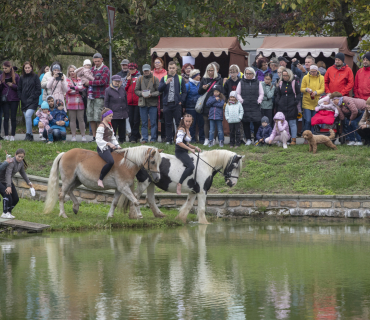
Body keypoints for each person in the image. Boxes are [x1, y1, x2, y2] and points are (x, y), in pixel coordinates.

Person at [158, 61, 187, 145]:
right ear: (168, 69)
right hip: (167, 104)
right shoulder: (164, 78)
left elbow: (184, 92)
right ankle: (168, 140)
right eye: (170, 68)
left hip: (177, 104)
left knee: (178, 123)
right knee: (168, 123)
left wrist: (181, 101)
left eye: (173, 68)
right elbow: (159, 89)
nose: (172, 70)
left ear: (176, 69)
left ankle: (178, 139)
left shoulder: (180, 78)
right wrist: (166, 83)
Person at [0, 148, 32, 219]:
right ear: (15, 155)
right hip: (2, 180)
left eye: (22, 157)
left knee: (16, 199)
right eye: (19, 156)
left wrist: (28, 182)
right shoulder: (11, 162)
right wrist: (8, 186)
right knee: (8, 195)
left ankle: (8, 212)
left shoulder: (21, 163)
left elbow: (22, 172)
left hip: (7, 180)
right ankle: (4, 213)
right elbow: (8, 174)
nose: (20, 158)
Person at [85, 53, 110, 142]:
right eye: (95, 61)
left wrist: (90, 83)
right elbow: (84, 79)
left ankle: (101, 136)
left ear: (102, 59)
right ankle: (94, 137)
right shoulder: (91, 69)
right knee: (91, 116)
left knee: (99, 117)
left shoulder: (105, 69)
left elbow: (103, 81)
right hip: (90, 96)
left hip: (100, 96)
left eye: (98, 61)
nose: (96, 63)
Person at [236, 67, 264, 146]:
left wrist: (259, 100)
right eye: (247, 74)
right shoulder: (241, 82)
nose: (248, 75)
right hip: (245, 105)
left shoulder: (257, 82)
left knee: (257, 122)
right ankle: (248, 139)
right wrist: (241, 100)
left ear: (253, 74)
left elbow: (261, 93)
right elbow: (237, 93)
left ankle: (255, 139)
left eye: (250, 74)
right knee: (246, 122)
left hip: (255, 105)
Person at [198, 63, 224, 146]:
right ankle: (206, 139)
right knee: (206, 121)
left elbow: (221, 91)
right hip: (206, 103)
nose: (210, 72)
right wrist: (203, 88)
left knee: (215, 121)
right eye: (208, 70)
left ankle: (213, 139)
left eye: (211, 70)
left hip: (216, 103)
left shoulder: (219, 79)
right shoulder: (204, 79)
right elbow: (199, 92)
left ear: (215, 71)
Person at [175, 114, 201, 195]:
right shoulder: (181, 129)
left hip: (185, 151)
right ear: (183, 120)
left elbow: (186, 143)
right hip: (180, 151)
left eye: (189, 121)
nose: (188, 123)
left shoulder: (187, 129)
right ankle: (179, 184)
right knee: (191, 166)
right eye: (186, 121)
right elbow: (179, 142)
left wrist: (195, 147)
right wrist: (190, 149)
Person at [96, 108, 122, 188]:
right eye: (110, 116)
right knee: (110, 161)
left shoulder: (109, 125)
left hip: (109, 146)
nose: (111, 118)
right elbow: (98, 139)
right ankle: (100, 179)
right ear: (105, 116)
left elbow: (112, 137)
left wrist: (117, 145)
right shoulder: (101, 126)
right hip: (102, 148)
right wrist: (109, 144)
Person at [135, 64, 160, 144]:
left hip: (153, 104)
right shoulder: (140, 79)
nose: (146, 72)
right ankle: (144, 138)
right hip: (143, 104)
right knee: (144, 122)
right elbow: (136, 90)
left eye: (147, 70)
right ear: (143, 71)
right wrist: (141, 93)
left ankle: (153, 139)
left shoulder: (155, 79)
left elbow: (159, 91)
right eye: (145, 71)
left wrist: (151, 94)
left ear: (150, 70)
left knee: (153, 122)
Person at [275, 68, 300, 145]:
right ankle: (283, 139)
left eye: (286, 75)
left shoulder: (294, 83)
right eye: (283, 75)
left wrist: (295, 102)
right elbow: (278, 93)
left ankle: (293, 140)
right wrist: (278, 101)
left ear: (290, 75)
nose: (285, 77)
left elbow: (298, 94)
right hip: (282, 106)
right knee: (282, 123)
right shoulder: (280, 83)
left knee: (292, 123)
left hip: (291, 105)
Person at [17, 61, 41, 141]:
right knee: (27, 117)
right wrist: (21, 97)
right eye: (25, 68)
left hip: (33, 101)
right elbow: (19, 89)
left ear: (31, 68)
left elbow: (38, 90)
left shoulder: (35, 77)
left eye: (28, 68)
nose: (27, 69)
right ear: (24, 69)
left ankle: (28, 134)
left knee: (28, 115)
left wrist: (32, 97)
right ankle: (30, 135)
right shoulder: (21, 77)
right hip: (24, 101)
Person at [104, 75, 129, 144]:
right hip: (113, 112)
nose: (117, 83)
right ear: (112, 81)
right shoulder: (108, 90)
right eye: (116, 81)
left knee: (122, 127)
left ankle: (122, 140)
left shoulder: (123, 89)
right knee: (113, 127)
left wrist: (127, 110)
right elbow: (106, 101)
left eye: (118, 81)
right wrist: (107, 112)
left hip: (122, 112)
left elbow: (126, 101)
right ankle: (112, 140)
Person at [300, 65, 325, 133]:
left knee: (313, 120)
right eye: (311, 71)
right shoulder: (305, 77)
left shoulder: (322, 78)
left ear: (317, 71)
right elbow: (301, 89)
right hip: (307, 101)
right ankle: (306, 135)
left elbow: (322, 89)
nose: (312, 73)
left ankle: (313, 135)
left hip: (316, 102)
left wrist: (316, 92)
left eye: (314, 72)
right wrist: (306, 89)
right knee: (308, 120)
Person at [66, 65, 86, 142]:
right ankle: (73, 136)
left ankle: (83, 136)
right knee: (72, 120)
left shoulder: (80, 79)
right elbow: (68, 90)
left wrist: (74, 88)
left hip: (80, 102)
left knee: (81, 119)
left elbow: (83, 88)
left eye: (73, 71)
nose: (72, 73)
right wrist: (77, 88)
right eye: (70, 71)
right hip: (71, 102)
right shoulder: (67, 80)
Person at [1, 61, 20, 141]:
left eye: (6, 68)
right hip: (5, 99)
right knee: (5, 117)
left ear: (10, 67)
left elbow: (19, 87)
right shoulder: (1, 76)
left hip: (14, 99)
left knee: (13, 117)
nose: (4, 70)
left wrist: (12, 85)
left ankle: (12, 135)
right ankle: (6, 135)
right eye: (3, 68)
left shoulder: (16, 76)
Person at [184, 69, 204, 144]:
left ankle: (202, 139)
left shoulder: (201, 85)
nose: (200, 76)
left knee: (201, 124)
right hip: (190, 108)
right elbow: (184, 97)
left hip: (199, 108)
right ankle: (192, 139)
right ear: (194, 76)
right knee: (191, 125)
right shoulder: (187, 85)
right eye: (198, 75)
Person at [125, 63, 142, 142]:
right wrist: (128, 81)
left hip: (137, 101)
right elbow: (124, 88)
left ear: (136, 69)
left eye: (133, 69)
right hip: (129, 102)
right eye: (130, 69)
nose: (131, 70)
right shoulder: (127, 77)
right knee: (131, 120)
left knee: (136, 120)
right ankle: (136, 134)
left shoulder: (140, 77)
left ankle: (133, 137)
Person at [152, 57, 167, 142]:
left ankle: (164, 137)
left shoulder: (166, 73)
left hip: (163, 98)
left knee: (163, 117)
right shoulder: (151, 73)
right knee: (154, 118)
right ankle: (154, 137)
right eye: (155, 63)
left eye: (158, 62)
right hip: (154, 98)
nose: (157, 64)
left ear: (162, 64)